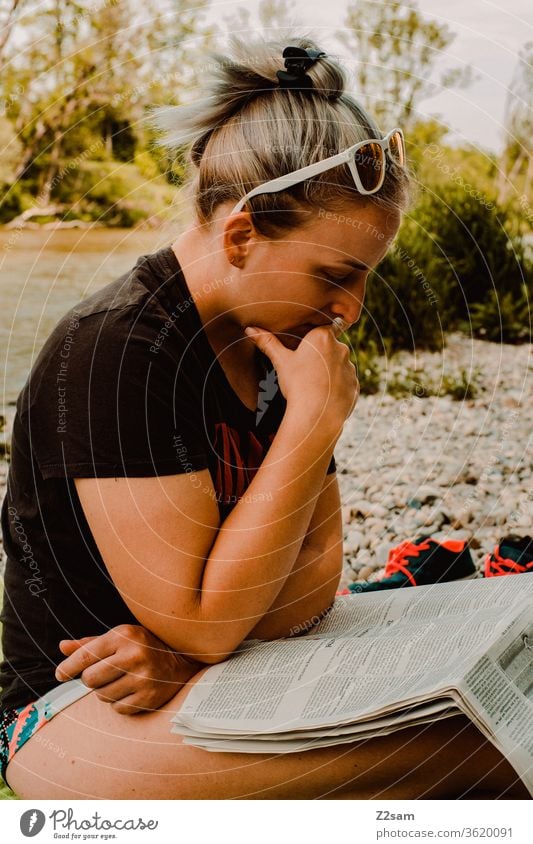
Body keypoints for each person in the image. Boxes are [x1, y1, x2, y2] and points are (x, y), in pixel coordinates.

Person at [0, 34, 528, 800]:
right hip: (73, 713)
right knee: (488, 744)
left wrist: (193, 647)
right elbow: (206, 617)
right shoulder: (119, 348)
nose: (349, 309)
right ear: (243, 233)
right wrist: (312, 422)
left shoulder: (271, 347)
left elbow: (309, 589)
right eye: (334, 274)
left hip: (203, 682)